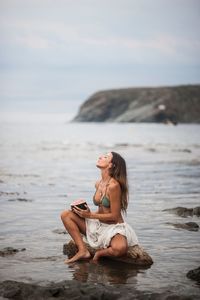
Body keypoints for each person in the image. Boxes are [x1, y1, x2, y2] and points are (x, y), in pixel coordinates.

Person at [60, 151, 138, 263]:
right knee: (65, 215)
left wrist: (90, 215)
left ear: (111, 165)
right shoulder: (98, 183)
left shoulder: (114, 186)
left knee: (120, 249)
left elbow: (115, 216)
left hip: (113, 228)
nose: (100, 157)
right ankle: (83, 251)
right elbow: (102, 208)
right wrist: (84, 212)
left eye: (105, 157)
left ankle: (99, 253)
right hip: (97, 224)